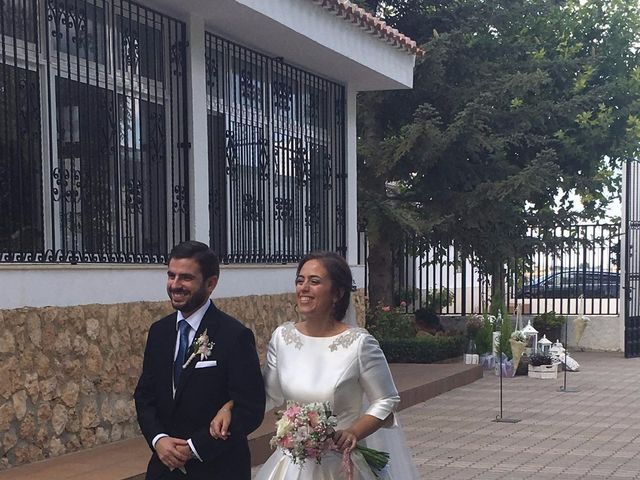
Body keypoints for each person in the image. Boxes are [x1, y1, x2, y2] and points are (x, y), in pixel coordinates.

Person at [211, 251, 419, 479]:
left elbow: (387, 399)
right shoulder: (282, 337)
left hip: (339, 465)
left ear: (337, 293)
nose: (304, 288)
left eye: (315, 281)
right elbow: (267, 394)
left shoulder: (360, 344)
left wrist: (354, 432)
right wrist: (230, 406)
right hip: (291, 466)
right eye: (300, 280)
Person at [134, 240, 265, 479]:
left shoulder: (234, 336)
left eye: (185, 278)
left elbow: (250, 408)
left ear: (211, 283)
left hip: (217, 468)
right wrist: (158, 440)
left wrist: (194, 448)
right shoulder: (159, 332)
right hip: (165, 468)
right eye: (171, 276)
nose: (175, 285)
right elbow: (145, 395)